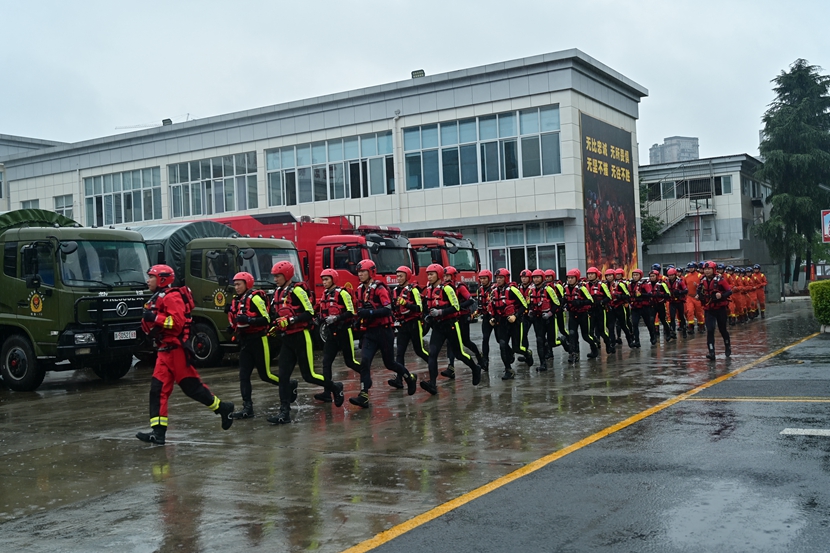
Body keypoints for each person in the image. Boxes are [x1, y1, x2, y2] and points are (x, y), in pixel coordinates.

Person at [136, 265, 234, 445]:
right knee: (157, 390)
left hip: (177, 350)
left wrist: (154, 319)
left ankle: (223, 408)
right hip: (164, 351)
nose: (148, 280)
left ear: (162, 279)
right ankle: (158, 434)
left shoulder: (172, 297)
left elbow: (177, 323)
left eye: (151, 277)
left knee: (192, 388)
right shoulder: (158, 297)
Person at [268, 261, 344, 424]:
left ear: (287, 275)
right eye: (274, 276)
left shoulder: (297, 290)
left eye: (278, 276)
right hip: (287, 339)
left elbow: (309, 312)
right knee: (283, 376)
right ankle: (284, 412)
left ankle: (335, 387)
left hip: (301, 337)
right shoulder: (277, 292)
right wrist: (275, 325)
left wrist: (290, 320)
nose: (275, 279)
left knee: (308, 375)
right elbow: (276, 314)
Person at [228, 271, 298, 419]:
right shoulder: (237, 300)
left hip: (259, 340)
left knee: (265, 375)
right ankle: (247, 407)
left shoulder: (255, 298)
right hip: (245, 341)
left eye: (239, 284)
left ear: (247, 284)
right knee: (243, 375)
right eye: (235, 284)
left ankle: (288, 384)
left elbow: (266, 319)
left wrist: (249, 320)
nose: (236, 287)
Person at [351, 259, 418, 407]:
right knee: (365, 361)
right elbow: (361, 310)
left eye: (363, 272)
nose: (360, 274)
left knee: (390, 363)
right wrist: (358, 321)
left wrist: (369, 312)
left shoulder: (380, 288)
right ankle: (364, 394)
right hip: (370, 332)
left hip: (383, 331)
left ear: (371, 273)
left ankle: (409, 377)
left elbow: (387, 309)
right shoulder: (360, 289)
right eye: (359, 272)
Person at [421, 264, 482, 393]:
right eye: (428, 274)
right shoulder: (429, 289)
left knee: (459, 353)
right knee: (432, 354)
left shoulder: (447, 289)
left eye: (432, 274)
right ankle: (432, 384)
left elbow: (456, 307)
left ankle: (475, 368)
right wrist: (427, 317)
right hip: (438, 327)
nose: (429, 277)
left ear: (438, 275)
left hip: (451, 325)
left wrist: (440, 312)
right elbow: (426, 307)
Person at [314, 268, 356, 405]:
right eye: (323, 280)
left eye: (326, 279)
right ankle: (327, 392)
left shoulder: (342, 293)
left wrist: (336, 318)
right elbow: (322, 312)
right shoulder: (325, 294)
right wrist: (318, 320)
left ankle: (365, 381)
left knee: (349, 362)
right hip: (331, 334)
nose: (324, 282)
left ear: (333, 280)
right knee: (326, 363)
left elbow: (351, 312)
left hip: (344, 331)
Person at [389, 265, 429, 388]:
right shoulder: (395, 291)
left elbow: (419, 308)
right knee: (399, 353)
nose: (399, 278)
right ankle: (399, 379)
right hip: (402, 325)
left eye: (401, 276)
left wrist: (405, 303)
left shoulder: (414, 290)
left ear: (407, 277)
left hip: (414, 323)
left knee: (419, 351)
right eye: (397, 276)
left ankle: (433, 367)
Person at [487, 267, 532, 378]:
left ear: (506, 278)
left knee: (516, 348)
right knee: (502, 345)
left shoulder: (513, 290)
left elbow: (524, 305)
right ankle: (508, 369)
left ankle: (527, 353)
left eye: (501, 278)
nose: (498, 280)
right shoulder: (493, 291)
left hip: (514, 322)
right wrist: (492, 318)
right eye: (497, 278)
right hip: (502, 322)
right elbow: (492, 307)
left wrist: (515, 316)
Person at [442, 266, 483, 379]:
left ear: (453, 276)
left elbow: (470, 299)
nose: (445, 278)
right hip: (452, 319)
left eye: (448, 276)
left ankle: (479, 356)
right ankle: (451, 367)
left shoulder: (459, 287)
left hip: (462, 318)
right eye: (444, 276)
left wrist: (458, 307)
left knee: (466, 341)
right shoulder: (443, 288)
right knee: (450, 343)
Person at [696, 261, 732, 360]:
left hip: (720, 309)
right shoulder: (702, 280)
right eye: (705, 269)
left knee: (722, 329)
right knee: (710, 329)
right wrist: (698, 296)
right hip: (709, 309)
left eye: (709, 269)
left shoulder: (720, 280)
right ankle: (711, 352)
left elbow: (729, 291)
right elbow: (699, 291)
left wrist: (721, 295)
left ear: (714, 270)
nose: (707, 271)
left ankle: (727, 345)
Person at [562, 268, 598, 362]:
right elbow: (564, 299)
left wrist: (580, 302)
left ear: (576, 278)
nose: (570, 280)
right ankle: (573, 354)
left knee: (585, 336)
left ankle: (594, 348)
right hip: (572, 315)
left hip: (583, 314)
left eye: (572, 278)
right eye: (568, 278)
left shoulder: (582, 288)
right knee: (572, 334)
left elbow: (591, 300)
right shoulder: (565, 288)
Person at [528, 269, 561, 371]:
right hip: (538, 319)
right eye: (534, 277)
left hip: (549, 319)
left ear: (542, 278)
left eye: (538, 277)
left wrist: (550, 313)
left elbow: (557, 304)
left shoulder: (549, 289)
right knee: (539, 341)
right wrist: (530, 311)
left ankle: (562, 340)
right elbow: (529, 303)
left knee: (551, 342)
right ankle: (543, 364)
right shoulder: (531, 291)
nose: (536, 279)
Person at [585, 267, 614, 354]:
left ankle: (608, 344)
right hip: (590, 311)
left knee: (602, 331)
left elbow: (609, 297)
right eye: (588, 274)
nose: (590, 276)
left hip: (600, 311)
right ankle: (594, 349)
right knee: (590, 332)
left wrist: (601, 302)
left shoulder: (602, 285)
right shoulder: (584, 286)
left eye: (592, 274)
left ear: (596, 275)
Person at [628, 268, 655, 348]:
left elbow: (650, 294)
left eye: (637, 275)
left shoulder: (644, 284)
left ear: (640, 276)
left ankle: (652, 336)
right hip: (635, 308)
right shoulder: (630, 284)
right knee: (635, 324)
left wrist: (641, 295)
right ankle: (637, 341)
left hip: (644, 307)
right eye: (634, 275)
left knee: (648, 323)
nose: (635, 277)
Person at [476, 269, 495, 371]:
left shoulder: (494, 289)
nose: (482, 280)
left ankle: (509, 354)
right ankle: (485, 361)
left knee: (499, 339)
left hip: (495, 317)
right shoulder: (480, 290)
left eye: (484, 278)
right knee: (485, 338)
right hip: (486, 317)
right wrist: (477, 312)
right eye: (481, 278)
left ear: (489, 279)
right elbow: (480, 303)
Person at [649, 269, 673, 342]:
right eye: (651, 276)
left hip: (660, 304)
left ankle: (668, 333)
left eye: (653, 276)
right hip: (652, 305)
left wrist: (661, 295)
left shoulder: (662, 284)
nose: (652, 278)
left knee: (663, 320)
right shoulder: (647, 284)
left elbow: (668, 294)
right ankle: (654, 336)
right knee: (651, 320)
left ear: (657, 276)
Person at [666, 268, 688, 339]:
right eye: (669, 275)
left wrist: (679, 292)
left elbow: (686, 290)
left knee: (681, 316)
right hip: (672, 302)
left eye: (672, 275)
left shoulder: (680, 281)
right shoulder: (666, 282)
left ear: (675, 275)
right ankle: (673, 332)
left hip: (679, 301)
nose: (671, 277)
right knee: (672, 317)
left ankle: (684, 330)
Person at [683, 262, 704, 334]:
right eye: (689, 268)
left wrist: (697, 285)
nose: (690, 269)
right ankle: (690, 326)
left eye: (691, 267)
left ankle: (701, 325)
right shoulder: (686, 276)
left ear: (695, 268)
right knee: (689, 311)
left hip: (697, 297)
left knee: (699, 312)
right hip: (689, 297)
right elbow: (684, 286)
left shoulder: (699, 276)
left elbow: (703, 286)